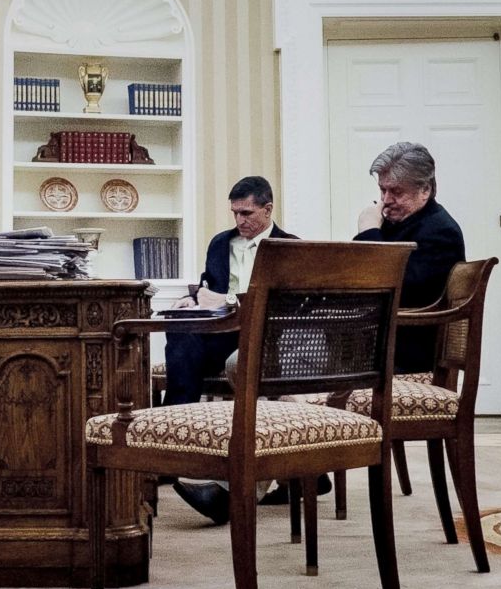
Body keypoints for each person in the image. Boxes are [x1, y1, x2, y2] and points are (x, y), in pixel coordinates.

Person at [164, 177, 328, 524]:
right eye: (235, 213)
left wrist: (227, 301)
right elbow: (209, 284)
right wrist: (192, 300)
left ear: (268, 209)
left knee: (250, 360)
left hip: (269, 337)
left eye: (248, 212)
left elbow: (292, 307)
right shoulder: (220, 243)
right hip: (223, 333)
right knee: (181, 332)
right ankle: (178, 446)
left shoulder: (291, 248)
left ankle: (243, 484)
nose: (240, 220)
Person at [355, 141, 466, 372]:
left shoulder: (440, 231)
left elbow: (385, 284)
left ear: (425, 190)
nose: (385, 200)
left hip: (409, 357)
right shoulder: (396, 223)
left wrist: (369, 232)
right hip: (380, 343)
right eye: (382, 190)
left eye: (396, 191)